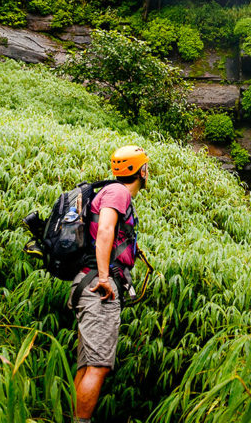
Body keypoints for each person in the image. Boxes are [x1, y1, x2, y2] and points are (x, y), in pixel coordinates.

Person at [72, 144, 147, 423]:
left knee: (88, 364)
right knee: (99, 365)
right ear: (141, 170)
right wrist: (105, 278)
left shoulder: (113, 192)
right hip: (98, 285)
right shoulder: (118, 192)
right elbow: (104, 230)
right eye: (146, 167)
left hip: (87, 281)